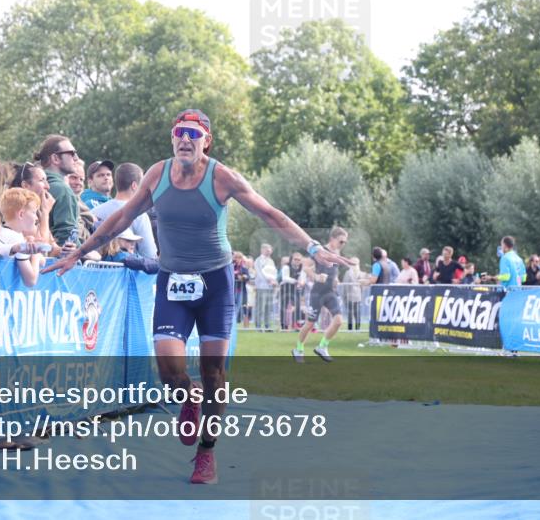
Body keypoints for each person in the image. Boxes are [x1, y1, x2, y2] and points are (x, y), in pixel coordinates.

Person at [44, 109, 349, 485]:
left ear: (206, 140)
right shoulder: (157, 175)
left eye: (193, 133)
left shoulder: (222, 178)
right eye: (179, 133)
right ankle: (190, 399)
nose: (185, 140)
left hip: (215, 284)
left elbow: (270, 214)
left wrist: (314, 247)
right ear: (172, 139)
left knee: (214, 374)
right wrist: (80, 250)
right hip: (172, 279)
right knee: (170, 371)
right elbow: (121, 219)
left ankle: (206, 453)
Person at [292, 227, 350, 362]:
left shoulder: (337, 253)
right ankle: (298, 349)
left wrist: (336, 279)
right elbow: (306, 267)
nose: (343, 245)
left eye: (345, 243)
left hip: (331, 292)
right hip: (317, 293)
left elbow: (333, 272)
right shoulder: (321, 251)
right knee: (310, 324)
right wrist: (316, 277)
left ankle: (322, 347)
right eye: (341, 242)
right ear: (332, 239)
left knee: (339, 321)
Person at [0, 188, 46, 286]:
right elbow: (31, 281)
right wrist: (36, 256)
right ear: (21, 214)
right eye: (34, 212)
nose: (36, 218)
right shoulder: (16, 239)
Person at [92, 163, 158, 259]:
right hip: (129, 272)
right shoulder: (139, 215)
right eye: (143, 183)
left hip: (99, 271)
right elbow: (149, 254)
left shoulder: (95, 212)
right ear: (134, 185)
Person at [34, 135, 80, 245]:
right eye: (72, 153)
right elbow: (67, 237)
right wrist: (86, 252)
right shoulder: (63, 190)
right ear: (55, 158)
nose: (76, 158)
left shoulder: (30, 185)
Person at [11, 162, 59, 250]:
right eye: (42, 180)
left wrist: (65, 251)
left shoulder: (37, 212)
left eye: (47, 180)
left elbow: (53, 248)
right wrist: (45, 213)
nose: (47, 186)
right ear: (25, 185)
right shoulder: (20, 211)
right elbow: (41, 247)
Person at [253, 244, 278, 331]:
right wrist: (268, 280)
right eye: (267, 250)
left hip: (270, 287)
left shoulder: (271, 261)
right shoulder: (258, 260)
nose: (269, 252)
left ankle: (267, 326)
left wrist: (274, 281)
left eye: (270, 250)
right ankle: (258, 326)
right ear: (262, 250)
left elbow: (274, 272)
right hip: (261, 286)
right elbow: (259, 273)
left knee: (268, 307)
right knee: (260, 307)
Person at [342, 257, 364, 330]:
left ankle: (350, 328)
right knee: (357, 313)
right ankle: (357, 328)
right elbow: (362, 286)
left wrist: (344, 295)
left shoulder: (348, 273)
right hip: (357, 296)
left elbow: (345, 285)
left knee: (350, 313)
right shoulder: (360, 273)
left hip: (350, 296)